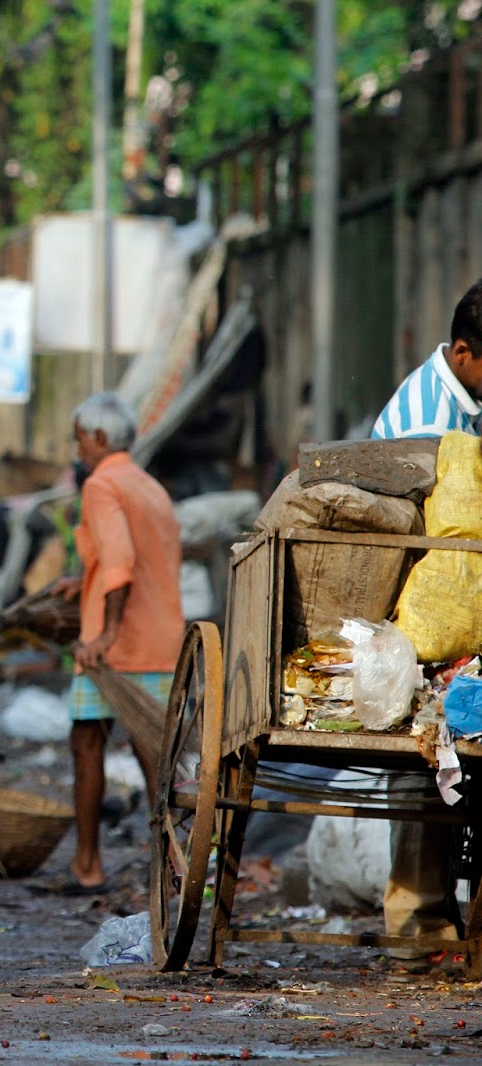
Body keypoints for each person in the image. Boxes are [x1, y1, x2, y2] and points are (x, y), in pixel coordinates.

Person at [367, 279, 482, 960]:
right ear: (464, 353)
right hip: (416, 617)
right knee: (423, 761)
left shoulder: (472, 398)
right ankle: (417, 928)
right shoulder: (424, 414)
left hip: (469, 612)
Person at [57, 392, 182, 893]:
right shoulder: (149, 486)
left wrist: (105, 634)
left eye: (80, 439)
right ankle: (174, 866)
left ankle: (87, 865)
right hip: (164, 637)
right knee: (154, 755)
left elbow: (121, 562)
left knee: (86, 743)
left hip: (117, 646)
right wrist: (79, 580)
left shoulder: (101, 484)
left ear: (101, 438)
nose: (78, 449)